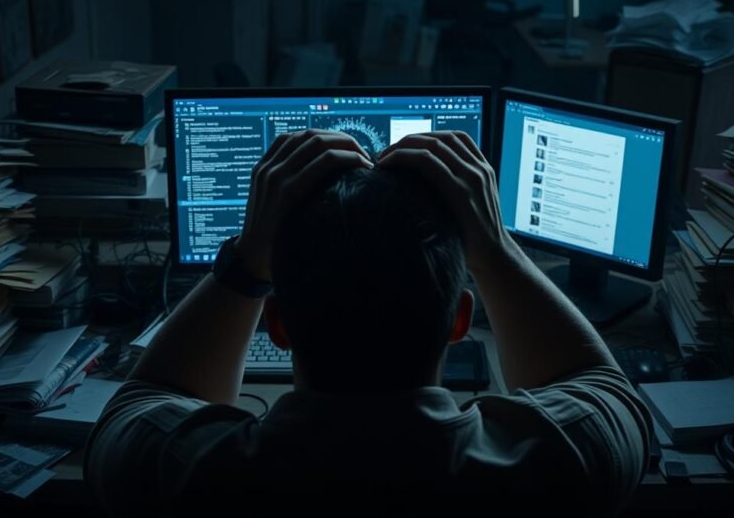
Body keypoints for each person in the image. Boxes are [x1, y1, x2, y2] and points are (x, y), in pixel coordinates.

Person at [86, 130, 650, 510]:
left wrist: (249, 260)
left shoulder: (189, 472)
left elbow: (136, 408)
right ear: (459, 321)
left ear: (277, 325)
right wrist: (496, 249)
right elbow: (611, 396)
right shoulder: (557, 462)